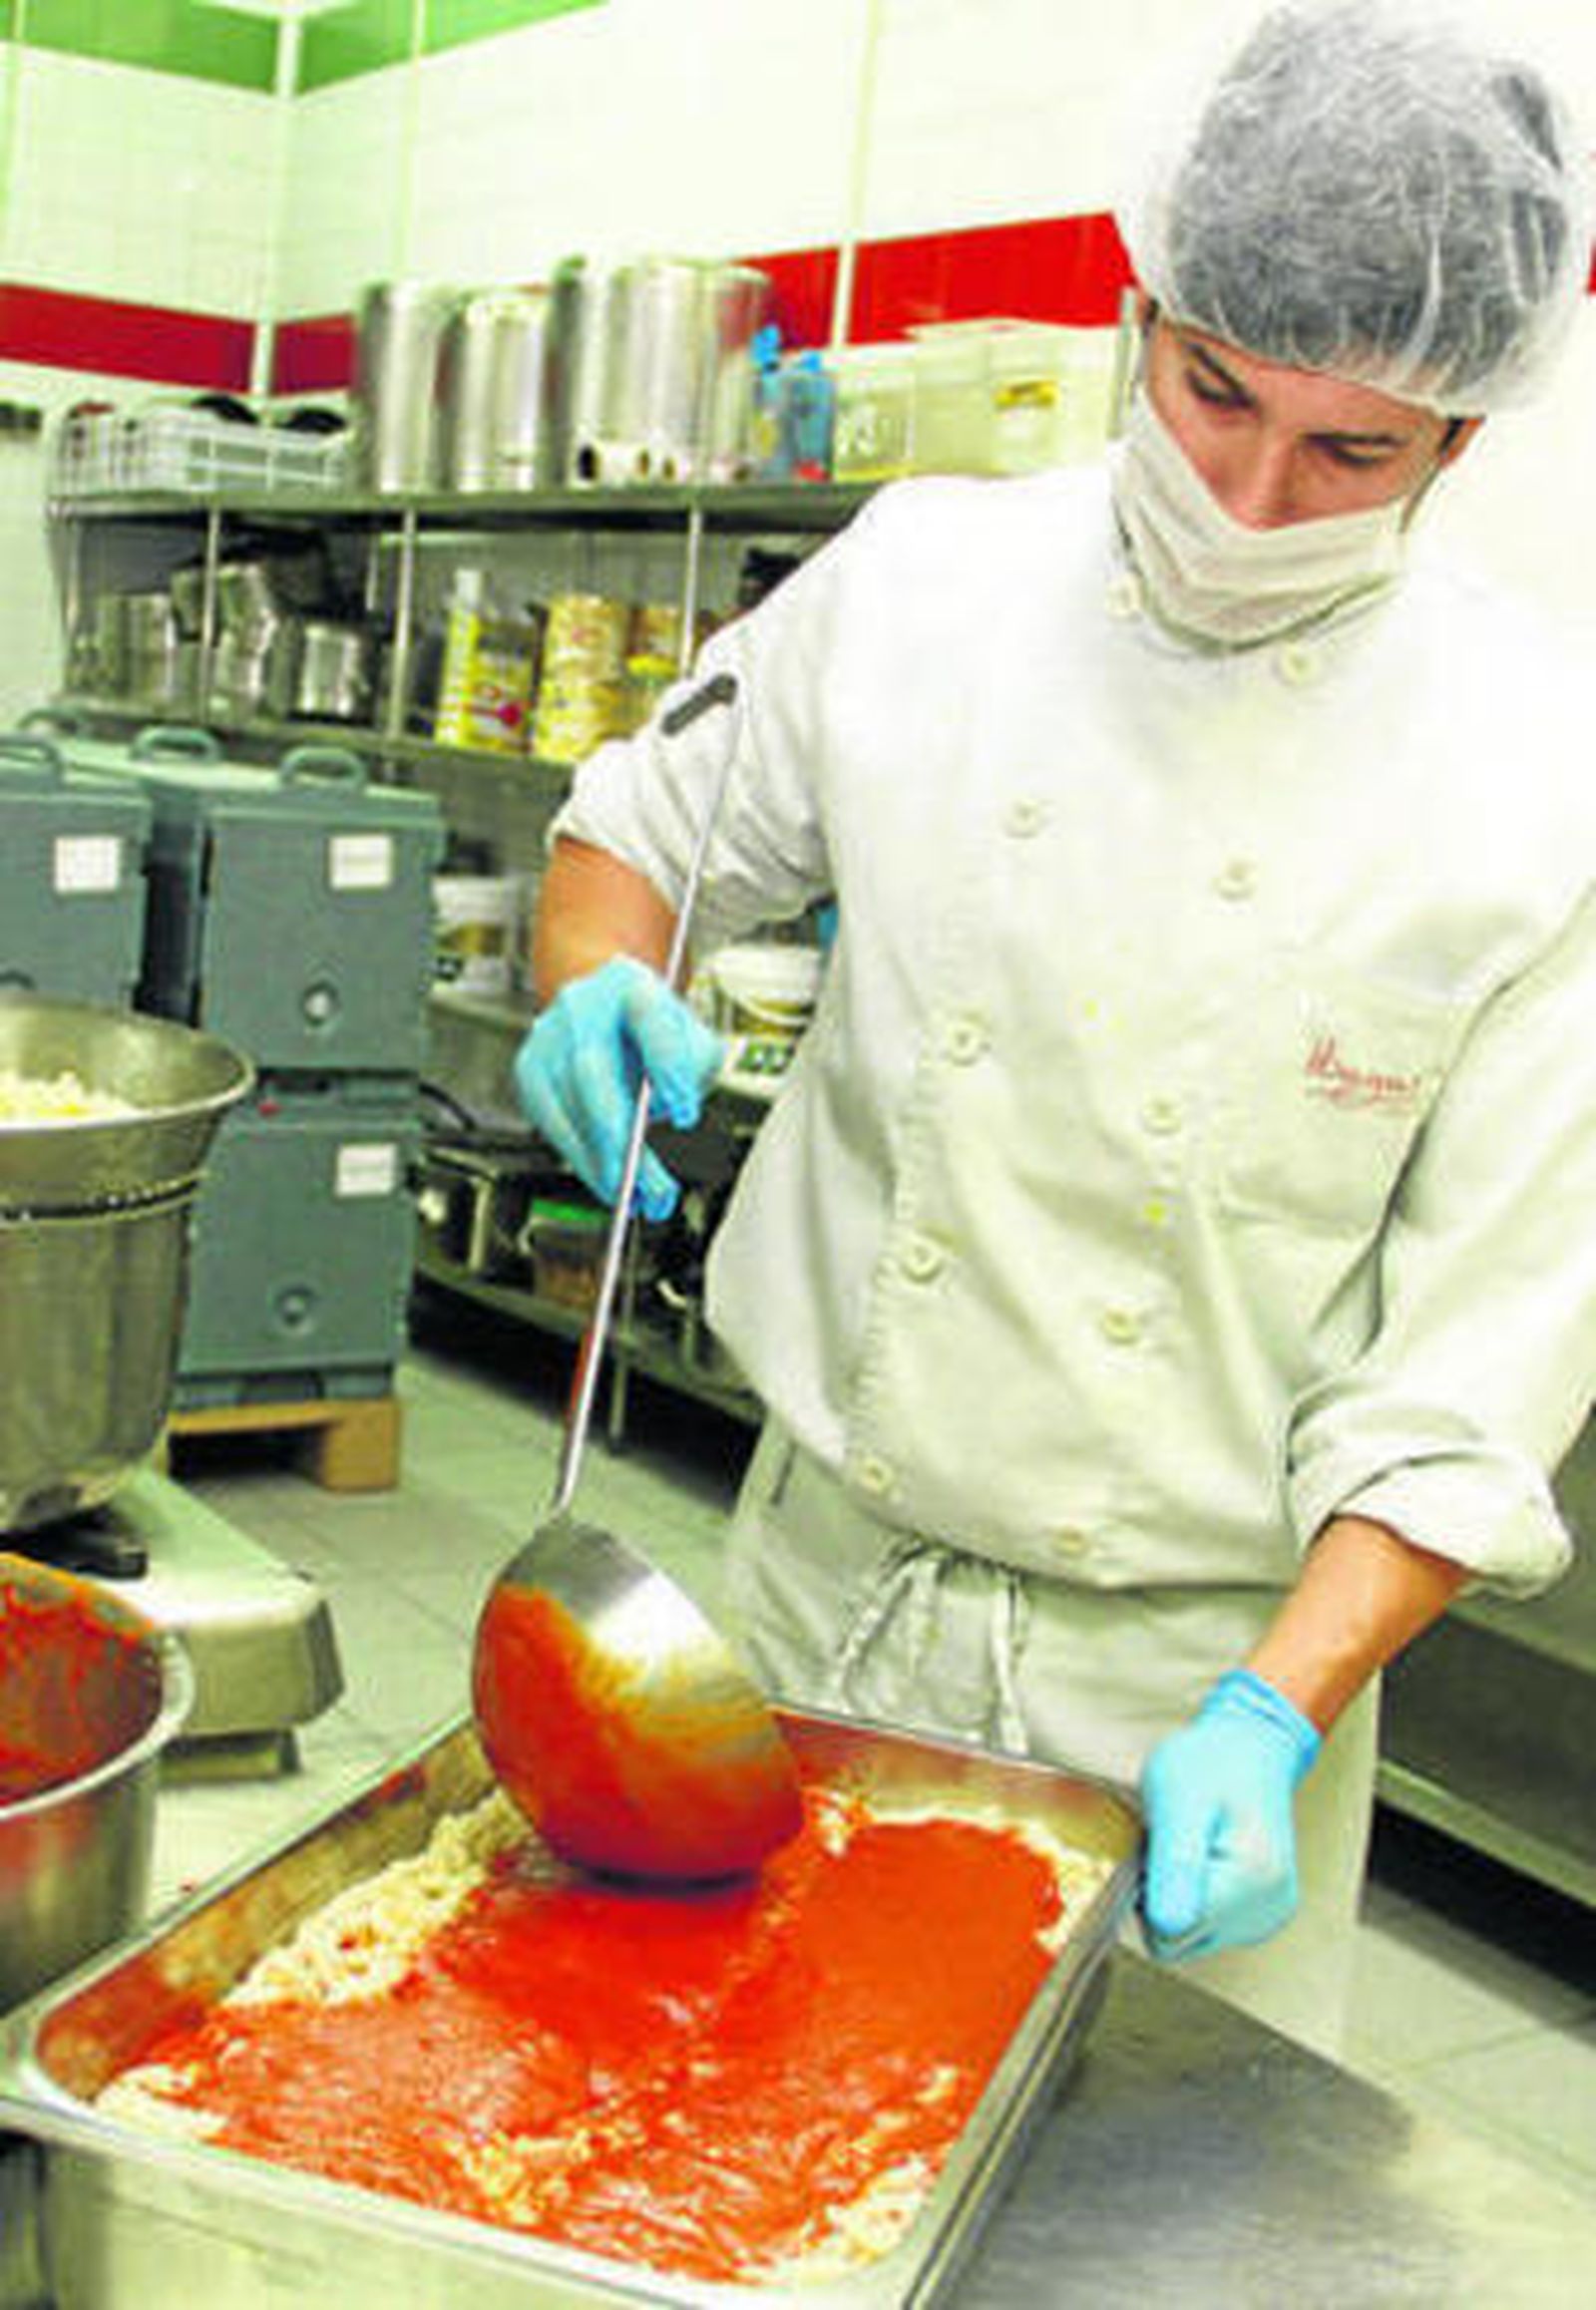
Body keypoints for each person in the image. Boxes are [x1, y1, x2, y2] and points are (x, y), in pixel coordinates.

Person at [513, 0, 1596, 2055]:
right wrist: (591, 986)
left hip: (1202, 1689)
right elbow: (632, 834)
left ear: (1460, 435)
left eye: (1347, 447)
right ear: (1140, 311)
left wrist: (1270, 1714)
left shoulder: (1543, 780)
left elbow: (1471, 1368)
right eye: (1206, 392)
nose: (1252, 491)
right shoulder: (920, 583)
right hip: (806, 1612)